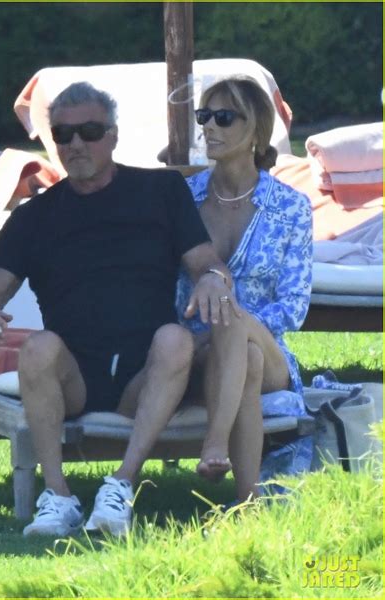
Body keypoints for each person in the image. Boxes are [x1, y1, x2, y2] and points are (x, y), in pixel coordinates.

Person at [0, 81, 235, 537]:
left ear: (113, 135)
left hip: (144, 372)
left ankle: (122, 484)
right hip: (75, 379)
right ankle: (58, 495)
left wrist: (213, 280)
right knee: (39, 346)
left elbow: (207, 262)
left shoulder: (161, 190)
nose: (76, 144)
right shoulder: (33, 217)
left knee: (175, 337)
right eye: (63, 135)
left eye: (88, 131)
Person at [176, 74, 313, 502]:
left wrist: (225, 324)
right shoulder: (184, 198)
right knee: (244, 359)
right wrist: (199, 335)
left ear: (255, 130)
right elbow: (163, 284)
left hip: (270, 350)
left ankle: (215, 444)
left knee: (234, 322)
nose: (209, 128)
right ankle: (247, 498)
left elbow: (292, 307)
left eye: (223, 117)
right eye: (204, 116)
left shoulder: (291, 207)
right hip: (199, 352)